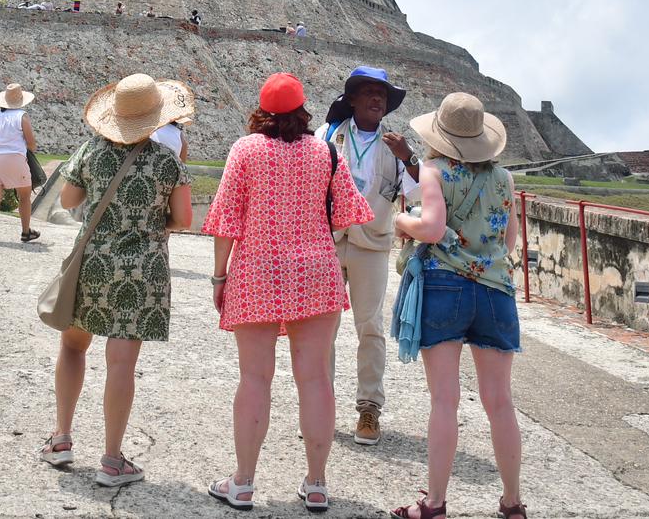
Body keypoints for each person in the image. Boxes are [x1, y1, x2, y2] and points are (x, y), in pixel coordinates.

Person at [204, 73, 373, 513]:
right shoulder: (325, 151)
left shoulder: (245, 150)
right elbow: (347, 214)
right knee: (315, 379)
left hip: (257, 270)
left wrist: (219, 278)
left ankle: (243, 482)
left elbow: (226, 220)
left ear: (261, 111)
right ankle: (316, 484)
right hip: (316, 271)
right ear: (302, 110)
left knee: (254, 378)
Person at [40, 74, 195, 486]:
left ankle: (61, 438)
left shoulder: (90, 150)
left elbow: (68, 200)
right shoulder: (168, 161)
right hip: (142, 270)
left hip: (93, 262)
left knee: (72, 346)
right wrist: (153, 222)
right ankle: (112, 460)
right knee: (122, 364)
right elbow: (184, 219)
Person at [389, 93, 525, 519]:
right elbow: (509, 241)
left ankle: (434, 504)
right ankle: (512, 502)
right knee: (500, 402)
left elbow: (431, 229)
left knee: (444, 401)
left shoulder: (434, 170)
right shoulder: (504, 179)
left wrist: (401, 220)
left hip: (445, 286)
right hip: (495, 290)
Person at [316, 67, 417, 446]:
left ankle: (369, 408)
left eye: (383, 94)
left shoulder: (396, 146)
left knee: (370, 326)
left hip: (372, 243)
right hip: (328, 241)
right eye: (370, 92)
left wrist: (409, 158)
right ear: (353, 99)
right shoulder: (327, 136)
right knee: (321, 328)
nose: (377, 99)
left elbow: (418, 192)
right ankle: (319, 407)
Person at [0, 83, 38, 243]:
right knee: (24, 195)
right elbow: (31, 143)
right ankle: (26, 231)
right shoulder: (21, 116)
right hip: (13, 158)